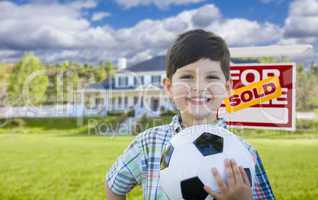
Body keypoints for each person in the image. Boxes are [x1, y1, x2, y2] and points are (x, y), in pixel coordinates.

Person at [106, 29, 275, 200]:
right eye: (187, 76)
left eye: (211, 77)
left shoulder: (245, 153)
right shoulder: (148, 143)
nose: (199, 87)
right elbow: (114, 184)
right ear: (169, 87)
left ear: (227, 88)